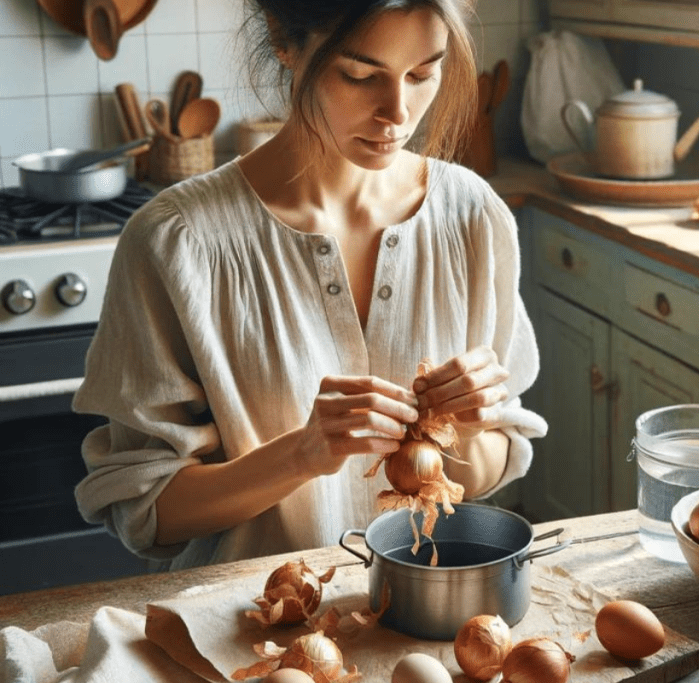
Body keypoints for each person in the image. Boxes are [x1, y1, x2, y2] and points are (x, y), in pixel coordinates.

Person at [72, 0, 547, 571]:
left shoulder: (472, 216)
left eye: (423, 73)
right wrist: (302, 454)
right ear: (283, 37)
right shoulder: (177, 242)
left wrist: (469, 430)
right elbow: (145, 513)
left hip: (424, 620)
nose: (397, 112)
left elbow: (490, 471)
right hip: (248, 629)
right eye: (360, 75)